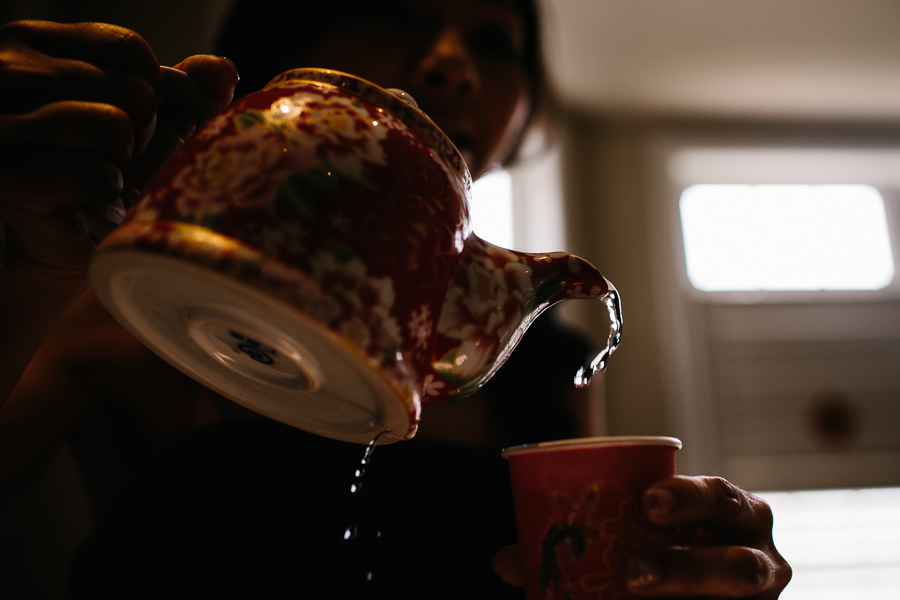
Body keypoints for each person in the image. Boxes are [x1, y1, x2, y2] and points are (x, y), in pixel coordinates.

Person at [0, 1, 791, 597]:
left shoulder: (548, 360)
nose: (453, 64)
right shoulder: (116, 282)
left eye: (494, 44)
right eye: (394, 13)